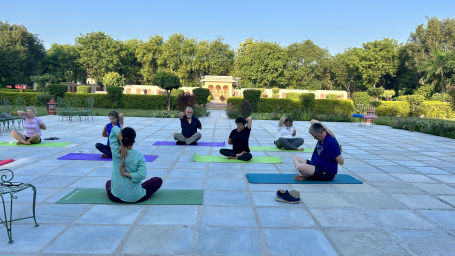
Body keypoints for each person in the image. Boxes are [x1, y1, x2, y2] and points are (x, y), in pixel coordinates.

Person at [105, 126, 162, 203]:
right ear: (134, 140)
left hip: (115, 196)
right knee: (157, 180)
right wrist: (125, 174)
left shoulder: (115, 151)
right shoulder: (139, 156)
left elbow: (114, 129)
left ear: (120, 138)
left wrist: (122, 143)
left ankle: (127, 188)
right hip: (135, 197)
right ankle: (135, 188)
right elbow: (142, 175)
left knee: (109, 183)